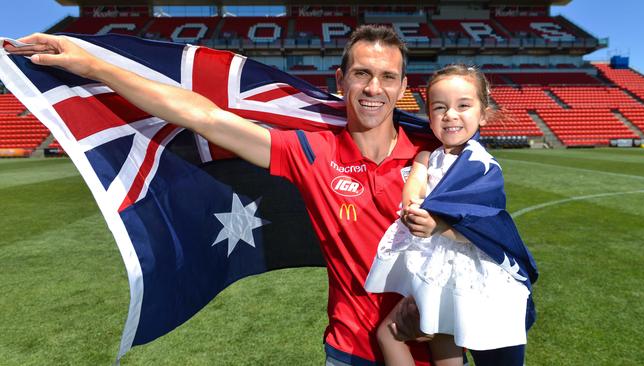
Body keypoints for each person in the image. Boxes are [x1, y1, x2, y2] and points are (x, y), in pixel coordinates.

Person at [5, 25, 438, 365]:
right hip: (350, 350)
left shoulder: (439, 158)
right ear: (341, 80)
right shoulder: (311, 152)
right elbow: (207, 118)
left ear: (402, 86)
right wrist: (95, 66)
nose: (373, 88)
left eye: (387, 77)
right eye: (362, 74)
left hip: (437, 347)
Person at [364, 65, 532, 366]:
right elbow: (413, 189)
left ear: (483, 113)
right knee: (404, 336)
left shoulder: (481, 166)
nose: (450, 115)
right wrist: (416, 208)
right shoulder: (428, 156)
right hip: (438, 272)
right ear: (429, 116)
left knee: (490, 347)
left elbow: (485, 225)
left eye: (463, 106)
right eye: (439, 107)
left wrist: (438, 225)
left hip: (475, 276)